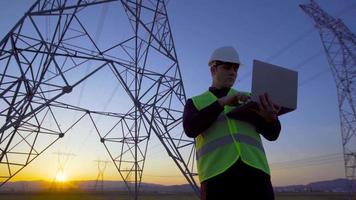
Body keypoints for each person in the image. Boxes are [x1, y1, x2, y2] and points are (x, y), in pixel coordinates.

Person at [183, 46, 282, 200]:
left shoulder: (250, 98)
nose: (233, 72)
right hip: (217, 178)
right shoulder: (195, 102)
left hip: (256, 175)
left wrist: (271, 119)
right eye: (227, 67)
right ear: (213, 70)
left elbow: (273, 134)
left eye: (235, 69)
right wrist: (222, 103)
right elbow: (190, 129)